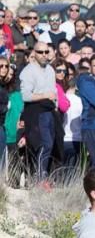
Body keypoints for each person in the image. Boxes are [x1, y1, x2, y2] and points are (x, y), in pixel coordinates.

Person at [20, 41, 58, 184]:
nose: (44, 55)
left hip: (49, 111)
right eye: (40, 52)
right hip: (36, 111)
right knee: (43, 144)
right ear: (34, 53)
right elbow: (26, 96)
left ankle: (43, 175)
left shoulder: (50, 69)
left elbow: (54, 91)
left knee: (52, 144)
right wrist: (45, 95)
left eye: (46, 52)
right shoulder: (28, 71)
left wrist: (54, 103)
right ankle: (39, 178)